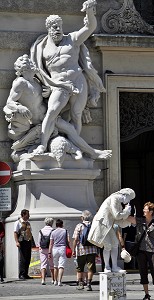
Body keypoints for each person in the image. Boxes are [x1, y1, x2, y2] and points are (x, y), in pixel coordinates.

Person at [30, 0, 106, 155]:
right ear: (49, 29)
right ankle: (43, 145)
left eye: (59, 26)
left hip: (78, 81)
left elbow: (89, 27)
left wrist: (90, 12)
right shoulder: (42, 47)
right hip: (59, 85)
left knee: (76, 115)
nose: (57, 29)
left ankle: (73, 145)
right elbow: (38, 70)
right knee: (51, 112)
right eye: (54, 27)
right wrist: (47, 84)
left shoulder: (72, 39)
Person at [4, 54, 112, 162]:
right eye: (31, 64)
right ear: (25, 68)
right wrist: (20, 108)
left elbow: (45, 95)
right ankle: (44, 145)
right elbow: (10, 102)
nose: (34, 65)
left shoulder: (36, 81)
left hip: (48, 116)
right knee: (69, 129)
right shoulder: (20, 83)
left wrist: (49, 92)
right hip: (38, 121)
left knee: (70, 129)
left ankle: (92, 153)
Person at [88, 188, 135, 273]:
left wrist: (129, 222)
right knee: (108, 245)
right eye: (130, 198)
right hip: (102, 225)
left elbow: (118, 220)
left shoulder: (119, 204)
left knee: (115, 244)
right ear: (126, 195)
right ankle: (107, 267)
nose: (129, 201)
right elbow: (117, 215)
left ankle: (114, 266)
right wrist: (126, 212)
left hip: (108, 226)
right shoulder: (114, 198)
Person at [128, 202, 154, 300]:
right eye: (144, 209)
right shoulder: (140, 221)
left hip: (153, 251)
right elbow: (128, 218)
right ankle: (146, 294)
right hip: (141, 251)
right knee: (143, 272)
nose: (144, 211)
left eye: (146, 209)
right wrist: (125, 209)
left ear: (151, 212)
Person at [72, 210, 98, 291]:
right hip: (92, 249)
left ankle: (81, 284)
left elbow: (76, 239)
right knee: (90, 268)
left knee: (80, 268)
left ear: (82, 217)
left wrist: (73, 250)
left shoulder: (79, 226)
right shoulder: (94, 225)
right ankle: (89, 284)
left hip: (81, 250)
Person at [48, 219, 70, 286]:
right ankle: (59, 281)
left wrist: (49, 252)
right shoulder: (65, 231)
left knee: (55, 266)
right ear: (62, 224)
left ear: (56, 225)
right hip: (62, 248)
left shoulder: (53, 232)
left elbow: (51, 243)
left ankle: (55, 280)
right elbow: (68, 241)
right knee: (61, 266)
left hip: (54, 249)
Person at [14, 209, 33, 280]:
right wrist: (16, 242)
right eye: (27, 215)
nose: (29, 216)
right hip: (22, 241)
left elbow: (30, 233)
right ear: (23, 215)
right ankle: (21, 274)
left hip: (28, 241)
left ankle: (26, 273)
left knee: (28, 257)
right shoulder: (18, 222)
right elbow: (15, 232)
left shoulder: (28, 223)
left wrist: (32, 242)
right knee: (22, 258)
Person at [38, 217, 55, 285]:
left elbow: (39, 241)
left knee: (43, 264)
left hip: (42, 249)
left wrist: (39, 247)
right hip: (51, 249)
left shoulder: (41, 230)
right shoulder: (53, 230)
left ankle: (43, 279)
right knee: (52, 265)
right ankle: (53, 279)